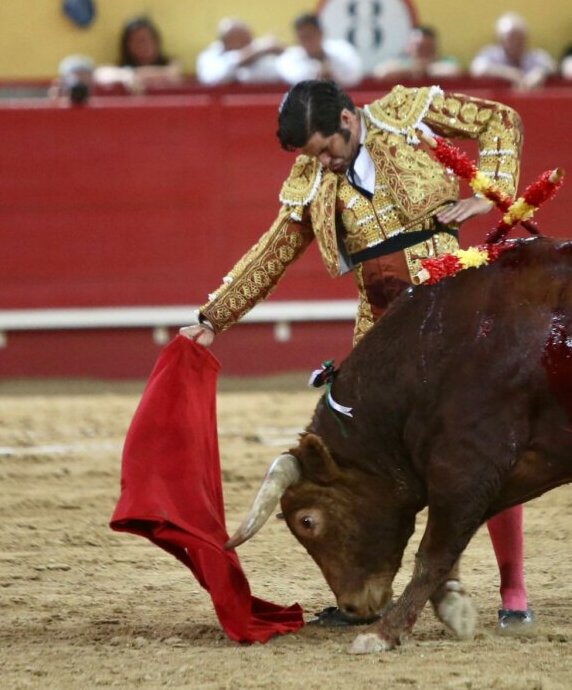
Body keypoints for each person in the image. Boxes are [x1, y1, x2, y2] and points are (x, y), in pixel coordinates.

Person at [178, 79, 534, 631]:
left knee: (480, 442)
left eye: (325, 149)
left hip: (450, 306)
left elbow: (501, 121)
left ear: (347, 120)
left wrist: (494, 192)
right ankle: (403, 586)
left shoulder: (405, 114)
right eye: (312, 156)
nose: (323, 163)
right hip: (379, 333)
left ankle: (512, 588)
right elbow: (272, 250)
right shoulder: (312, 178)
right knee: (381, 463)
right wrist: (211, 318)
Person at [93, 16, 182, 93]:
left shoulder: (171, 63)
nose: (143, 45)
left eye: (145, 39)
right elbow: (100, 74)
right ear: (127, 46)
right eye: (136, 41)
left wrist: (133, 76)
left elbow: (170, 74)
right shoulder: (123, 69)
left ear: (156, 41)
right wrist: (126, 76)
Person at [470, 12, 556, 90]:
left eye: (519, 37)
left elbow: (552, 65)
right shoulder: (491, 54)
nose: (515, 42)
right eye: (511, 38)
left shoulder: (535, 56)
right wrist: (509, 74)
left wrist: (539, 74)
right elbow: (477, 68)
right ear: (500, 39)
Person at [276, 13, 363, 88]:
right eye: (303, 37)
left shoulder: (341, 49)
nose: (308, 41)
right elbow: (294, 78)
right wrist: (318, 72)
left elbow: (355, 75)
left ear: (321, 33)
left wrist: (333, 75)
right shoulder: (289, 58)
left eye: (311, 35)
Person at [196, 18, 283, 86]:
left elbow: (277, 75)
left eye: (248, 39)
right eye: (239, 40)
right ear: (225, 41)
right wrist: (249, 54)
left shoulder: (260, 53)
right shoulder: (209, 56)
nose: (248, 44)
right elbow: (212, 79)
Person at [373, 25, 461, 81]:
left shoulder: (445, 60)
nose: (424, 51)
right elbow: (380, 72)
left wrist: (424, 69)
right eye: (419, 46)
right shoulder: (401, 62)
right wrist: (411, 70)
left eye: (428, 47)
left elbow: (454, 71)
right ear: (408, 46)